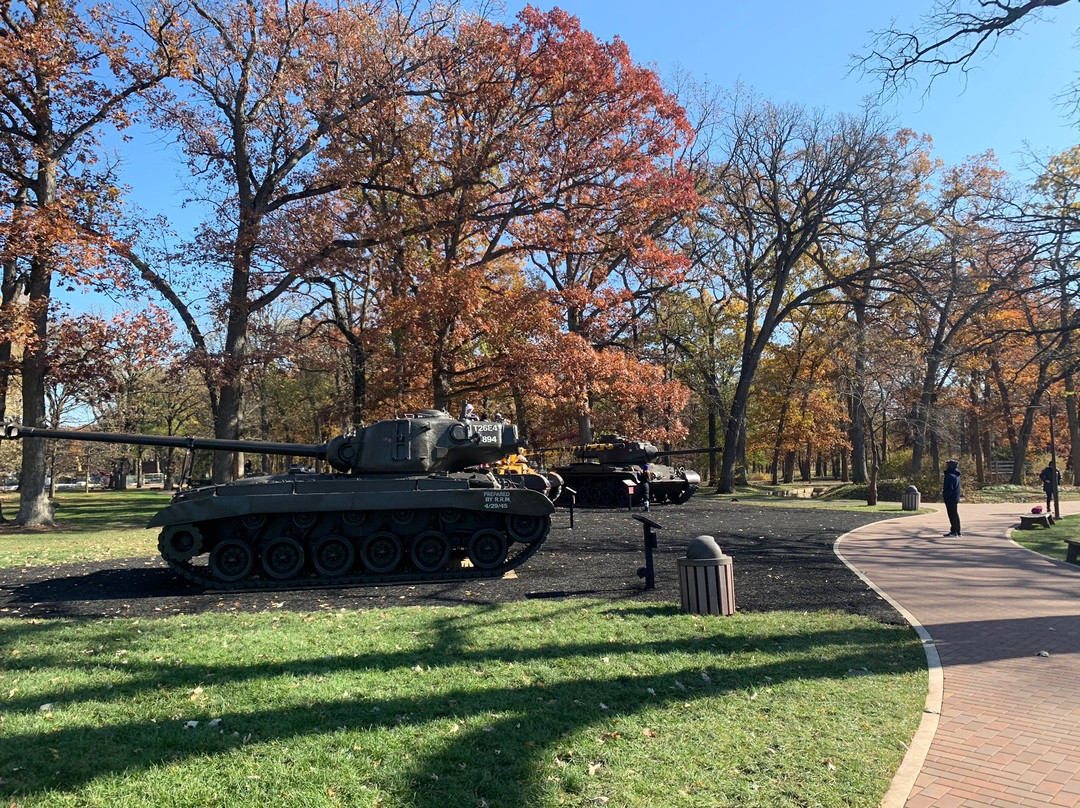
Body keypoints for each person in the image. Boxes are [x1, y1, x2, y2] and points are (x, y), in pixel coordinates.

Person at [942, 459, 962, 537]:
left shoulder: (949, 476)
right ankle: (958, 531)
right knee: (955, 514)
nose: (946, 466)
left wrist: (945, 496)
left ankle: (954, 531)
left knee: (952, 515)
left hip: (950, 498)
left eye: (948, 465)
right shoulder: (957, 475)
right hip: (955, 497)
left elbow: (949, 488)